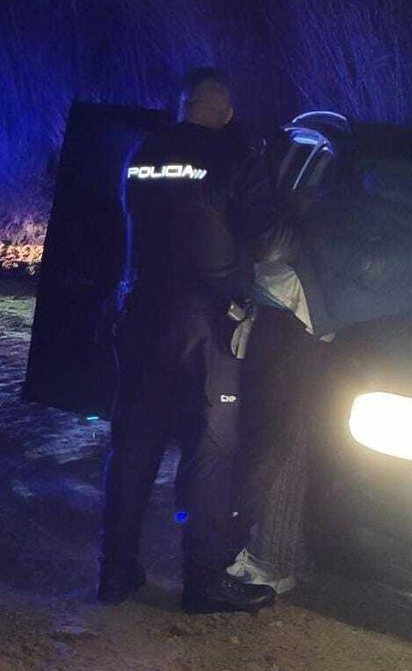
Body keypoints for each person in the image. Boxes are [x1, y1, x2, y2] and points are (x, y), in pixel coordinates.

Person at [231, 169, 412, 594]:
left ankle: (254, 551)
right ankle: (255, 554)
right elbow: (375, 268)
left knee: (275, 435)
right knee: (278, 437)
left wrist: (304, 234)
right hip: (303, 313)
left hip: (296, 305)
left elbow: (370, 262)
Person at [99, 68, 280, 614]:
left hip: (140, 312)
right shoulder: (235, 157)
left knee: (133, 446)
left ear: (182, 105)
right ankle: (203, 581)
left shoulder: (140, 152)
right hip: (205, 323)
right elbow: (268, 238)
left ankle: (115, 573)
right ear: (223, 110)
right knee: (210, 448)